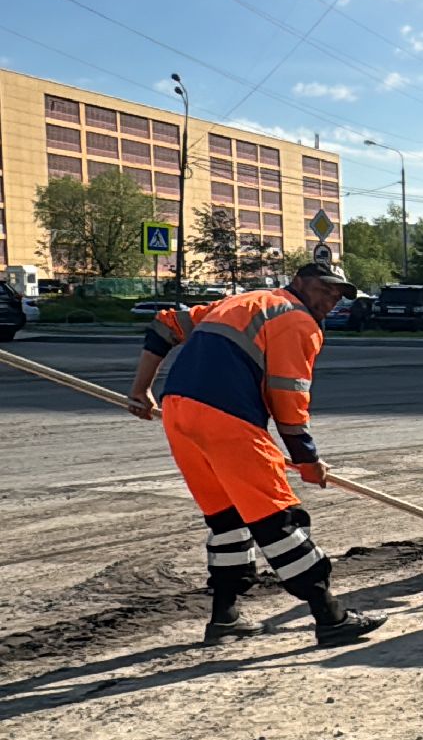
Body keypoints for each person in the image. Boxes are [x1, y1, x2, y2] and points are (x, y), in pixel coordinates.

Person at [128, 262, 386, 646]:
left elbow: (166, 325)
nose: (331, 299)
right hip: (226, 419)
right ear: (299, 282)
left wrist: (141, 389)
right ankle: (330, 618)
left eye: (339, 295)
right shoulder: (298, 320)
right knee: (277, 521)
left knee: (227, 521)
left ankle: (225, 619)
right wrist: (307, 461)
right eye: (325, 288)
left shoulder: (241, 301)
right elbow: (289, 402)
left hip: (180, 414)